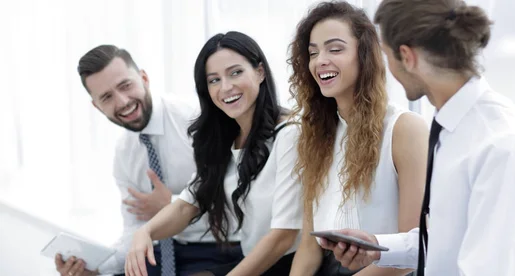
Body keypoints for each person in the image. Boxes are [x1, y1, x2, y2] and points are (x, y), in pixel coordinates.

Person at [320, 0, 515, 275]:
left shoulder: (501, 144)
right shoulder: (451, 129)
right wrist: (377, 246)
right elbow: (446, 242)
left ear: (408, 57)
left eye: (386, 54)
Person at [125, 31, 303, 276]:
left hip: (291, 264)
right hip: (253, 260)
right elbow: (188, 204)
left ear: (260, 72)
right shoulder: (225, 139)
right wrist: (144, 233)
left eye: (235, 72)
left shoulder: (291, 134)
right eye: (214, 80)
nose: (226, 87)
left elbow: (284, 236)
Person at [54, 45, 237, 276]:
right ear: (96, 106)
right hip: (159, 252)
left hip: (218, 249)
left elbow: (237, 202)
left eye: (125, 85)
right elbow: (134, 229)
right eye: (107, 97)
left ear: (144, 78)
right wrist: (96, 269)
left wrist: (170, 205)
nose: (122, 102)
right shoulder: (124, 153)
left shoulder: (195, 121)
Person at [287, 2, 429, 275]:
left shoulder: (405, 129)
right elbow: (308, 247)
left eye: (335, 49)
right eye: (313, 53)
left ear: (364, 54)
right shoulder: (315, 134)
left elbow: (410, 253)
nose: (320, 61)